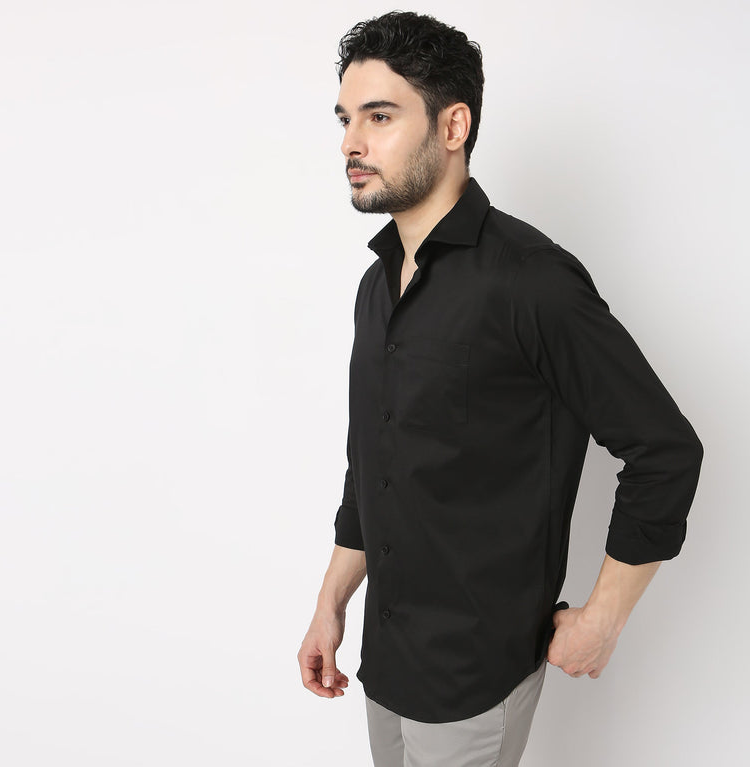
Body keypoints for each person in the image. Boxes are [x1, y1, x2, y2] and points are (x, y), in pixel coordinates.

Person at [297, 11, 704, 767]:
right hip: (384, 657)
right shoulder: (375, 286)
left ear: (453, 126)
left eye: (379, 117)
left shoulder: (531, 280)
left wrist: (603, 618)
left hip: (473, 676)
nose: (351, 142)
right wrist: (331, 600)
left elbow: (665, 450)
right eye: (346, 119)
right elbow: (374, 460)